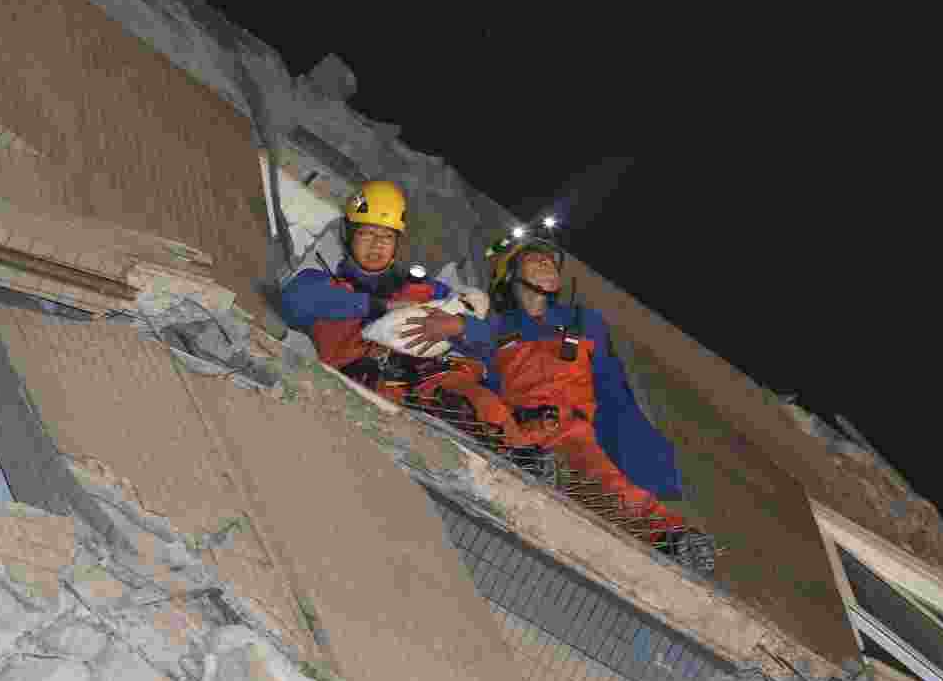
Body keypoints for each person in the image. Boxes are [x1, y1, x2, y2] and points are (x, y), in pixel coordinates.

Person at [466, 234, 685, 542]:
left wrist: (639, 450)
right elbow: (477, 368)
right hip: (518, 431)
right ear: (510, 274)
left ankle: (670, 535)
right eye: (533, 258)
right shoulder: (495, 327)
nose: (546, 263)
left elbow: (612, 388)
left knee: (607, 482)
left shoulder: (583, 321)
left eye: (549, 260)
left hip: (572, 429)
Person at [277, 180, 521, 442]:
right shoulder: (322, 286)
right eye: (367, 233)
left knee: (487, 408)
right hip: (367, 394)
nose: (377, 245)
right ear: (348, 235)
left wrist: (460, 326)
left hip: (439, 385)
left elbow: (495, 339)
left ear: (397, 243)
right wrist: (380, 306)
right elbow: (294, 302)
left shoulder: (426, 290)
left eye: (387, 236)